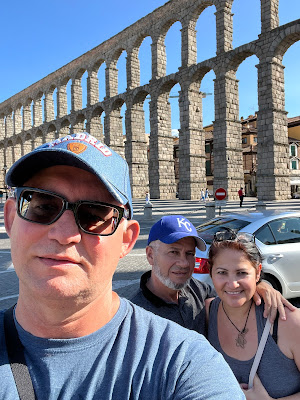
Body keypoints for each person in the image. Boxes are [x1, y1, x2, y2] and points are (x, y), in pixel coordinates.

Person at [0, 133, 245, 399]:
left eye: (93, 215)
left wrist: (259, 290)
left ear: (126, 241)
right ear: (11, 219)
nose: (63, 234)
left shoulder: (186, 363)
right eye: (44, 206)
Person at [130, 215, 295, 333]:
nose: (184, 263)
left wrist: (261, 286)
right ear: (151, 255)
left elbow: (231, 294)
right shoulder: (135, 316)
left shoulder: (199, 290)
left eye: (189, 253)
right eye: (174, 252)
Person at [204, 232, 300, 399]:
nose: (232, 283)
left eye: (241, 273)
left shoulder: (288, 321)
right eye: (222, 272)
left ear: (257, 273)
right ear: (211, 273)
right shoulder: (206, 312)